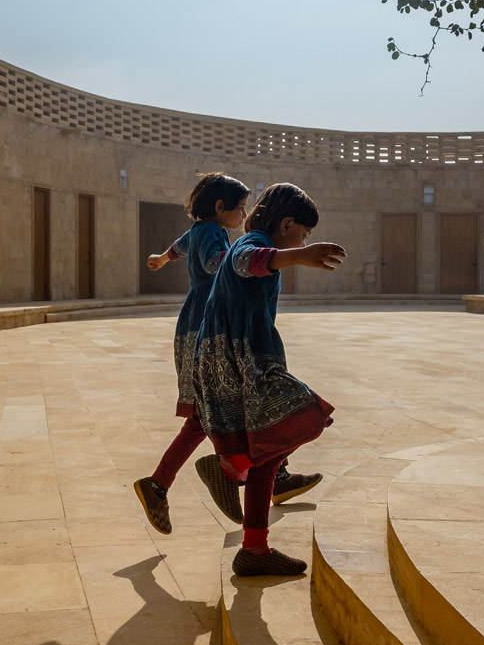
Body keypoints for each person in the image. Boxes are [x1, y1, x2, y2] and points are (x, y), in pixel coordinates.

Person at [191, 183, 346, 577]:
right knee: (305, 417)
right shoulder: (255, 242)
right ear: (288, 223)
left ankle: (254, 549)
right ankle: (228, 470)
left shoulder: (260, 241)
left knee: (270, 451)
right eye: (303, 234)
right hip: (243, 361)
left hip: (241, 356)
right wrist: (299, 255)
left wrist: (294, 253)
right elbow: (248, 261)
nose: (305, 241)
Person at [131, 173, 248, 535]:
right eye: (240, 209)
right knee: (230, 404)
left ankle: (162, 484)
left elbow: (178, 248)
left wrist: (161, 259)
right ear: (219, 207)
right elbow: (216, 264)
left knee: (209, 412)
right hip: (206, 330)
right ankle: (255, 474)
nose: (243, 216)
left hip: (195, 325)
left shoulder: (197, 231)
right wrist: (246, 258)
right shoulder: (214, 234)